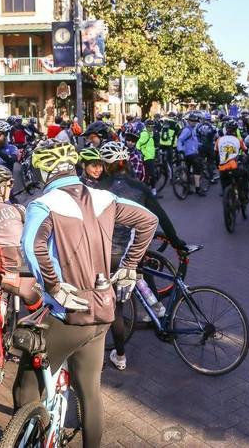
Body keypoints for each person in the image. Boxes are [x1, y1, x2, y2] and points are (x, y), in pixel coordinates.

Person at [17, 140, 158, 448]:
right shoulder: (105, 197)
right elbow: (149, 220)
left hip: (66, 313)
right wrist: (130, 264)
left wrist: (53, 285)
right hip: (103, 308)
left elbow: (31, 247)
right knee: (90, 392)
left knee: (26, 384)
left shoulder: (44, 203)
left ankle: (29, 438)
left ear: (44, 170)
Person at [98, 141, 185, 370]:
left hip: (110, 252)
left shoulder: (97, 189)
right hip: (136, 248)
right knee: (139, 272)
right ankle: (155, 310)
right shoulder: (140, 187)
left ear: (106, 165)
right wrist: (177, 243)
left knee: (116, 307)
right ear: (125, 163)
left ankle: (120, 355)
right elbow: (161, 217)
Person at [216, 121, 248, 202]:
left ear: (226, 129)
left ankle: (225, 194)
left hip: (222, 167)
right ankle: (243, 194)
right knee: (246, 174)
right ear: (235, 130)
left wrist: (217, 164)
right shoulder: (238, 140)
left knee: (224, 180)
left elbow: (215, 153)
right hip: (234, 166)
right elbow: (245, 150)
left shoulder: (219, 140)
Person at [177, 113, 206, 196]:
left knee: (187, 171)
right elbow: (180, 140)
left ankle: (186, 189)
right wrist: (180, 150)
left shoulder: (192, 129)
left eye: (195, 121)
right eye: (192, 121)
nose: (194, 122)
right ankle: (198, 189)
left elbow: (193, 141)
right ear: (189, 121)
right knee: (197, 170)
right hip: (190, 153)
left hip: (191, 152)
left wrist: (200, 144)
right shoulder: (187, 130)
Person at [136, 119, 157, 193]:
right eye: (149, 126)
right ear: (146, 126)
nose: (150, 128)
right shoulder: (145, 134)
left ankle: (145, 190)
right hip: (147, 157)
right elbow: (138, 144)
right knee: (151, 175)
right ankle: (153, 192)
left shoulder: (150, 133)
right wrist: (141, 152)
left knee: (147, 175)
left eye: (152, 126)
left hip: (150, 155)